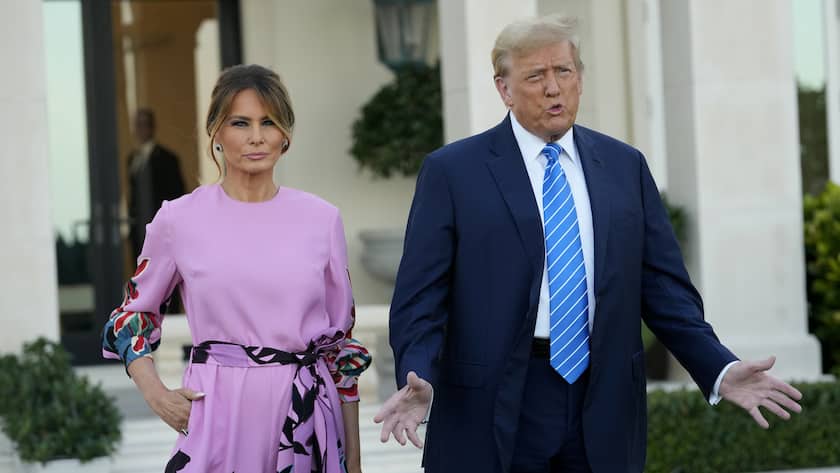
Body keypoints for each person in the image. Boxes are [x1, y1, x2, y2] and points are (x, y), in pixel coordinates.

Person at [374, 15, 803, 473]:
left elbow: (664, 292)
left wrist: (718, 368)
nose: (553, 88)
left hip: (604, 402)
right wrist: (418, 374)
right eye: (535, 76)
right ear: (504, 89)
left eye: (564, 71)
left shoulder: (625, 167)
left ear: (579, 78)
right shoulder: (453, 172)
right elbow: (421, 298)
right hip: (492, 405)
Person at [102, 64, 371, 473]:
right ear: (216, 131)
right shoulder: (178, 220)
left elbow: (340, 352)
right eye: (240, 123)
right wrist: (157, 396)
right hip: (218, 418)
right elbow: (129, 319)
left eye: (269, 122)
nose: (256, 136)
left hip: (306, 420)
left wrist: (353, 464)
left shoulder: (322, 219)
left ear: (286, 134)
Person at [127, 108, 186, 261]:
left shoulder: (167, 159)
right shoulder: (133, 159)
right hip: (139, 229)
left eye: (145, 124)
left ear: (152, 127)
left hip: (161, 229)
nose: (141, 130)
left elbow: (177, 195)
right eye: (138, 125)